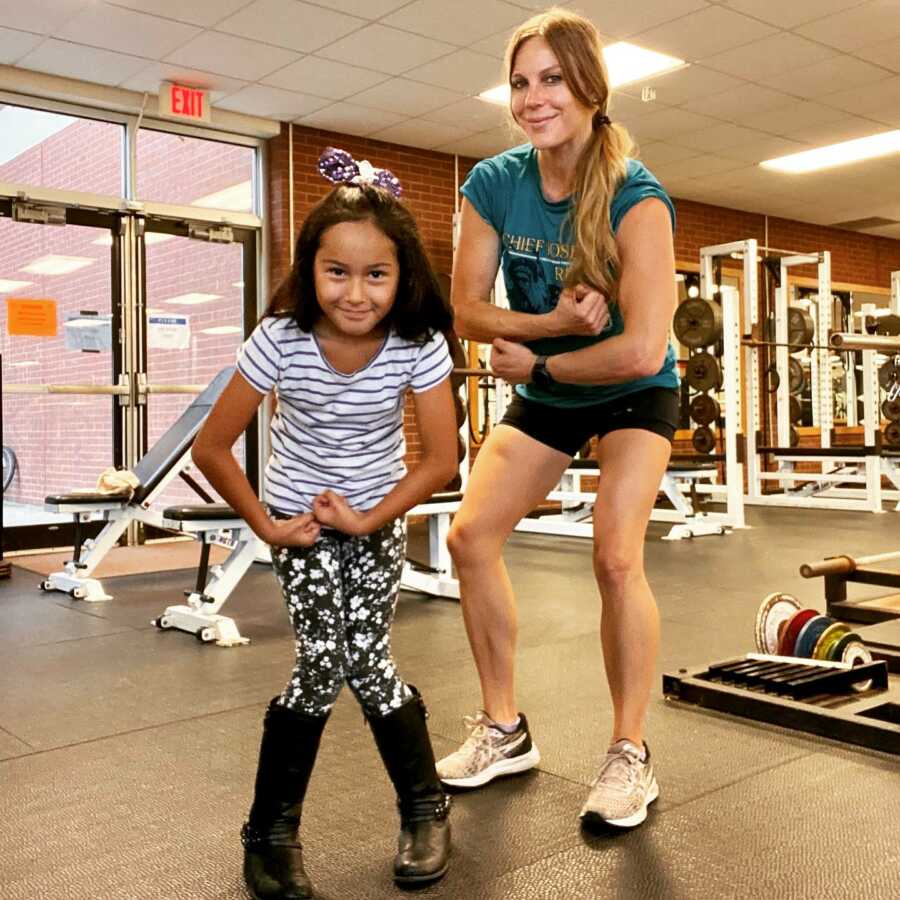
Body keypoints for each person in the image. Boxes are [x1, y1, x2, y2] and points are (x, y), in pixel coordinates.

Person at [436, 8, 679, 831]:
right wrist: (549, 332)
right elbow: (467, 312)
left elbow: (643, 349)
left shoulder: (638, 201)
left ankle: (628, 754)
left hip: (630, 393)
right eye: (520, 81)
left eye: (551, 79)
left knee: (615, 557)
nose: (533, 98)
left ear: (589, 88)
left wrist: (539, 360)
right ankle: (504, 729)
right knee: (470, 537)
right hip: (552, 381)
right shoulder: (495, 184)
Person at [192, 148, 457, 899]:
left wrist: (370, 516)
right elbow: (214, 447)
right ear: (310, 268)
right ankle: (271, 835)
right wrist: (270, 528)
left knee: (367, 662)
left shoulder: (419, 344)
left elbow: (443, 457)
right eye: (336, 271)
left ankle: (424, 811)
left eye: (376, 274)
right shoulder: (281, 338)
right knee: (322, 663)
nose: (356, 292)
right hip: (299, 524)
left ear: (402, 275)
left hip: (373, 519)